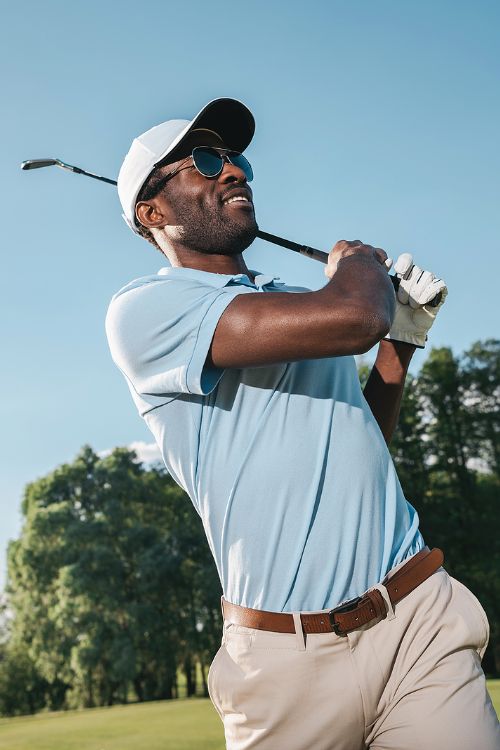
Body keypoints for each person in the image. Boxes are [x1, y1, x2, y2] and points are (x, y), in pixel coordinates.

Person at [106, 98, 499, 749]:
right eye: (206, 160)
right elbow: (353, 317)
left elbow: (359, 440)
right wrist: (360, 266)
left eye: (237, 159)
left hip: (416, 621)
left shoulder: (296, 301)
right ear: (153, 214)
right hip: (285, 660)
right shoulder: (147, 311)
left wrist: (399, 344)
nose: (233, 171)